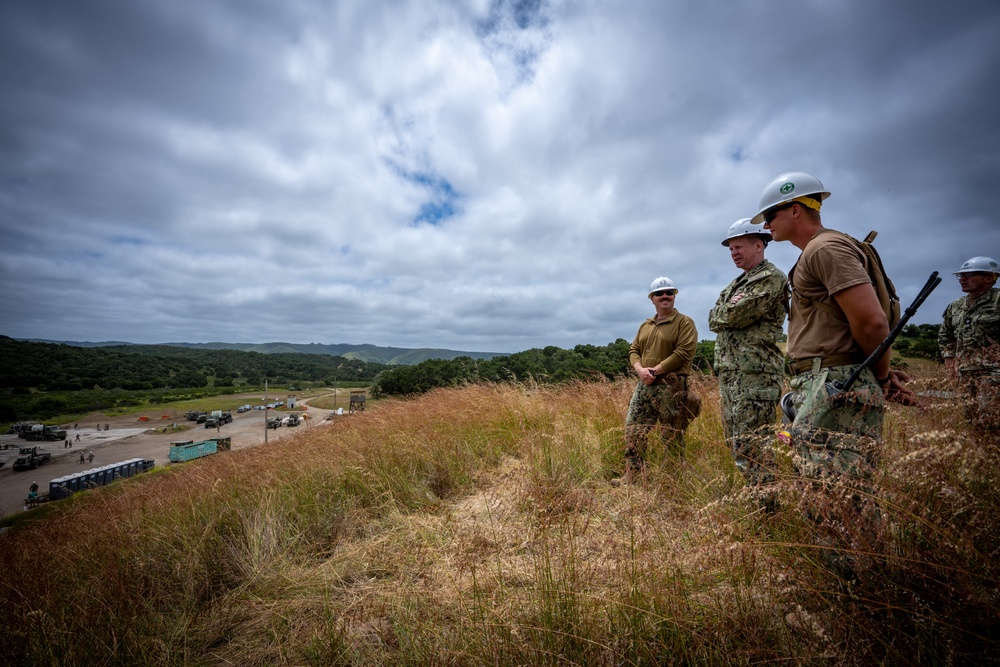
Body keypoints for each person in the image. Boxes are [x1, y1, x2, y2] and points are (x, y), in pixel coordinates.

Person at [752, 171, 916, 481]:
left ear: (795, 209)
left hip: (836, 382)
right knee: (822, 490)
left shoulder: (825, 249)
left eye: (771, 215)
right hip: (827, 381)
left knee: (839, 493)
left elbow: (871, 322)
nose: (765, 225)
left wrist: (879, 377)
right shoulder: (819, 250)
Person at [708, 218, 788, 486]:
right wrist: (724, 311)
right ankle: (759, 502)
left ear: (759, 245)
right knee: (737, 444)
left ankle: (768, 508)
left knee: (754, 447)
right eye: (731, 249)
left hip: (756, 375)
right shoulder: (737, 284)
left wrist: (725, 311)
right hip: (733, 375)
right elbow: (715, 316)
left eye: (739, 247)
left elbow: (733, 314)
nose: (734, 253)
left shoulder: (771, 277)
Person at [613, 276, 699, 486]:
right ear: (652, 298)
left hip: (671, 387)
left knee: (671, 436)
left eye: (669, 293)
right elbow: (634, 350)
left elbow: (684, 352)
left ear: (674, 296)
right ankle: (633, 475)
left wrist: (655, 370)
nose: (665, 296)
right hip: (644, 386)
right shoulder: (646, 325)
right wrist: (640, 370)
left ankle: (673, 480)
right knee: (634, 430)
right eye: (659, 294)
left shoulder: (684, 323)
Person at [939, 256, 1000, 433]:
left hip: (994, 373)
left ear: (989, 277)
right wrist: (949, 359)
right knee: (971, 420)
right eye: (960, 276)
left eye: (969, 275)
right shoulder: (956, 305)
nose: (962, 280)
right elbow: (946, 334)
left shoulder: (998, 300)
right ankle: (979, 455)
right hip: (965, 373)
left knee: (991, 419)